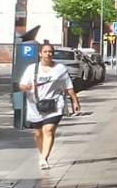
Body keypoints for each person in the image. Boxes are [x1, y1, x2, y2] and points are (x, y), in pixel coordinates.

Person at [19, 41, 80, 170]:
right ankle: (42, 154)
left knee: (49, 130)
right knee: (38, 134)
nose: (48, 54)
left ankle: (44, 158)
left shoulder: (60, 69)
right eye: (45, 52)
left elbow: (68, 86)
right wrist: (26, 87)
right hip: (35, 105)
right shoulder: (31, 69)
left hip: (55, 104)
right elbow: (22, 85)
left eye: (51, 52)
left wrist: (75, 100)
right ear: (40, 54)